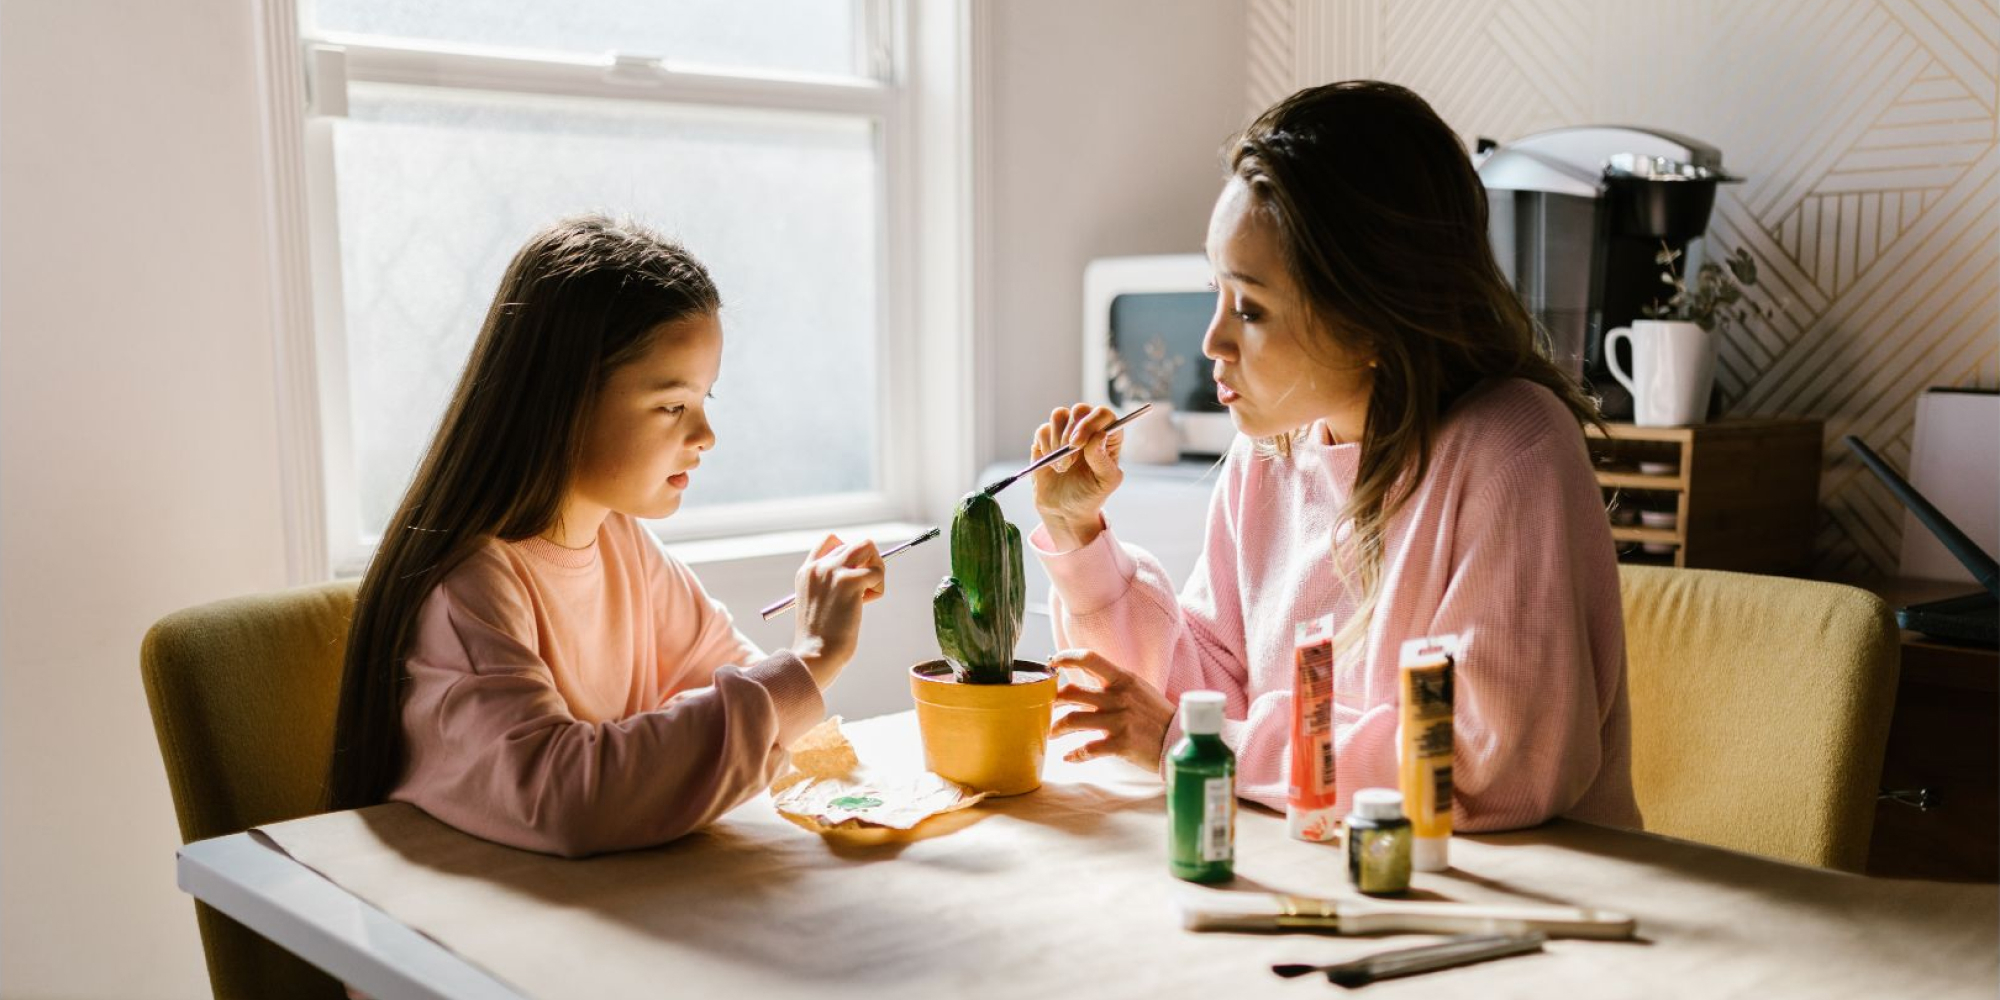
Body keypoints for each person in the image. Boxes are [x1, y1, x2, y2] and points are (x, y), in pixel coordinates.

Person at [1030, 81, 1640, 832]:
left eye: (1250, 309)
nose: (1211, 342)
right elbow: (1203, 693)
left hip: (1522, 909)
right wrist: (1084, 541)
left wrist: (1203, 744)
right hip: (1326, 877)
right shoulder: (1271, 452)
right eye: (1215, 294)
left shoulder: (1512, 448)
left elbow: (1488, 766)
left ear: (1371, 314)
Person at [324, 215, 886, 857]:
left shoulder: (621, 542)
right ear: (561, 404)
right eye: (673, 405)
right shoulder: (472, 588)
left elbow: (734, 690)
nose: (705, 436)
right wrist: (812, 656)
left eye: (706, 400)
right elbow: (567, 798)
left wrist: (793, 673)